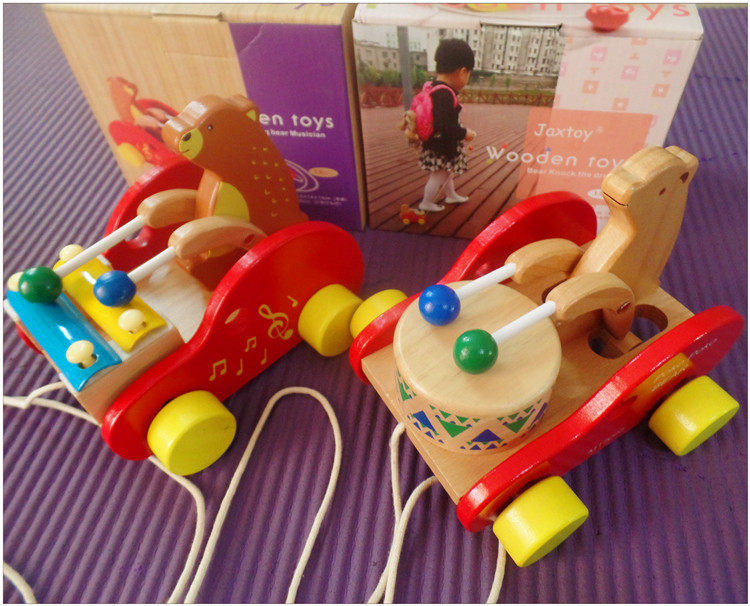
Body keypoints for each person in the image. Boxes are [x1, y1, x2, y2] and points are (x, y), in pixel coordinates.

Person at [418, 39, 476, 212]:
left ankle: (451, 195)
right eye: (468, 74)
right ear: (462, 72)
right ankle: (426, 202)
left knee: (446, 172)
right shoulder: (445, 94)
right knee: (439, 175)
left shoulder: (433, 86)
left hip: (435, 143)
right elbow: (444, 126)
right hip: (441, 145)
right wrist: (464, 133)